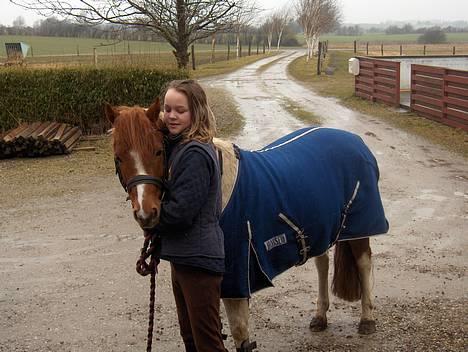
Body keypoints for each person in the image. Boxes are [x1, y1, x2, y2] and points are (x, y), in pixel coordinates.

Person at [151, 79, 228, 352]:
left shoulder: (194, 153)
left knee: (208, 344)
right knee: (192, 339)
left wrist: (150, 220)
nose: (171, 116)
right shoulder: (182, 145)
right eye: (167, 109)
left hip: (199, 262)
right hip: (185, 258)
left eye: (180, 110)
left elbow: (181, 212)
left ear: (196, 112)